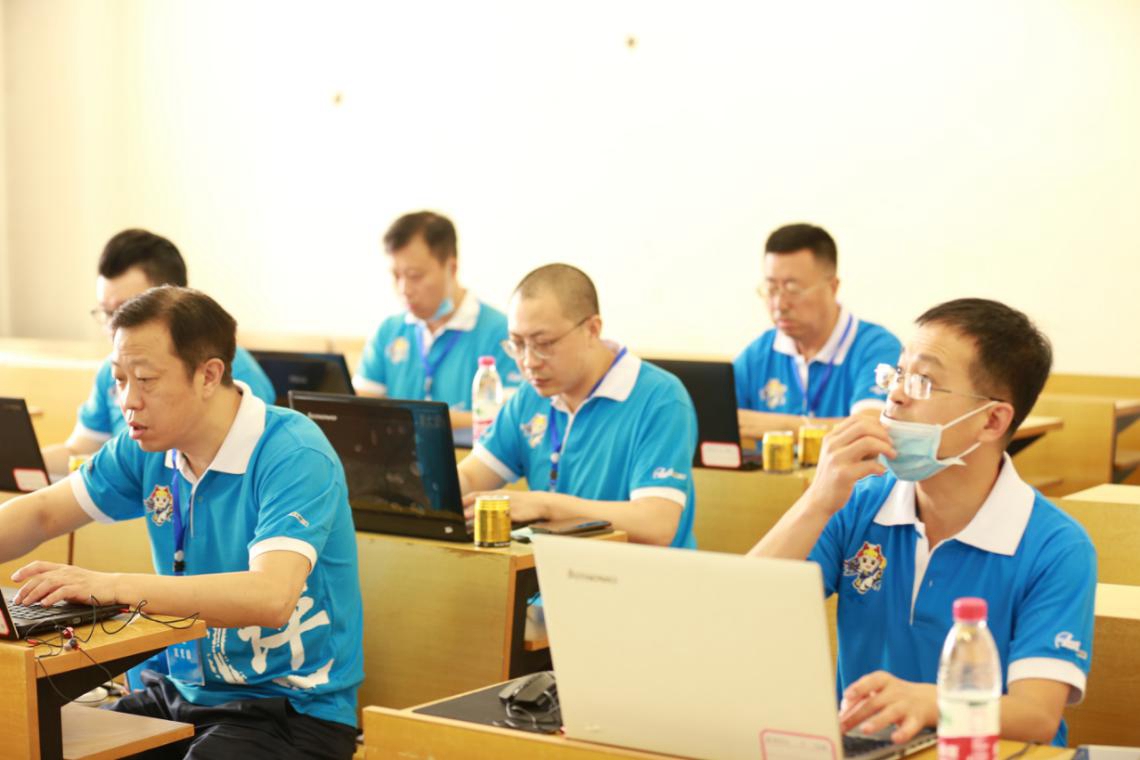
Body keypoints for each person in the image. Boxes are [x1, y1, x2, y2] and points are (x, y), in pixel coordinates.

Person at [1, 287, 364, 758]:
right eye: (119, 380)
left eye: (146, 380)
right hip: (179, 693)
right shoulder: (144, 445)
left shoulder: (293, 452)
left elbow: (271, 596)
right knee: (40, 740)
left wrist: (110, 586)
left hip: (292, 711)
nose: (128, 401)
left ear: (209, 375)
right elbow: (42, 512)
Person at [749, 298, 1095, 746]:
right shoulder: (857, 502)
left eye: (923, 382)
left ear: (991, 420)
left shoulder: (1056, 547)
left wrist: (931, 703)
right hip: (864, 749)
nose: (894, 395)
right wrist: (817, 501)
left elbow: (1036, 717)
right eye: (896, 374)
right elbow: (744, 609)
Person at [458, 264, 697, 548]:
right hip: (551, 571)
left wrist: (545, 505)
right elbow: (472, 476)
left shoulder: (660, 398)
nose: (529, 361)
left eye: (544, 343)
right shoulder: (531, 395)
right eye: (517, 344)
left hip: (638, 573)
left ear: (592, 330)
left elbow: (655, 524)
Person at [41, 229, 276, 475]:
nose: (114, 327)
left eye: (127, 311)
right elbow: (79, 453)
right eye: (106, 313)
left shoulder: (231, 374)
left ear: (173, 299)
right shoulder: (111, 370)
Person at [354, 211, 519, 429]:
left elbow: (509, 420)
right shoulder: (389, 331)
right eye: (396, 276)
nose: (404, 289)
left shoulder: (502, 333)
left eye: (415, 276)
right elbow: (360, 411)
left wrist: (408, 420)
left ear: (451, 268)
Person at [735, 223, 902, 439]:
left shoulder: (878, 348)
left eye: (793, 289)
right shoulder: (759, 354)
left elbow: (869, 431)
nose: (779, 304)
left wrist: (772, 427)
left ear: (832, 287)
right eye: (771, 289)